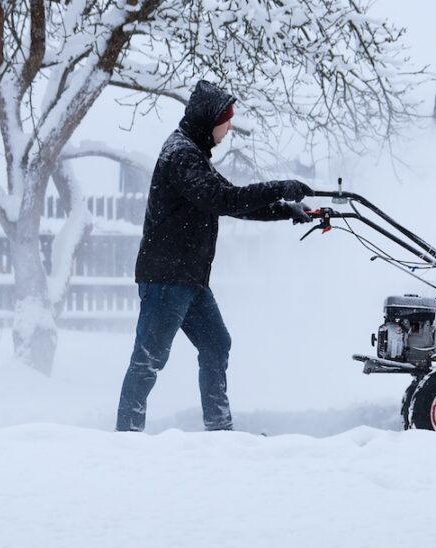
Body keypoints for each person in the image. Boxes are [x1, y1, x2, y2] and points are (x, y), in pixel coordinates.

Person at [116, 80, 314, 432]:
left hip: (188, 278)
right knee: (149, 359)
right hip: (167, 278)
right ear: (210, 120)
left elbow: (230, 202)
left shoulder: (193, 153)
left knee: (216, 343)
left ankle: (219, 429)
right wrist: (279, 186)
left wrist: (286, 209)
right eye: (227, 119)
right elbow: (226, 200)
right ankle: (126, 437)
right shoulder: (181, 155)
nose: (230, 127)